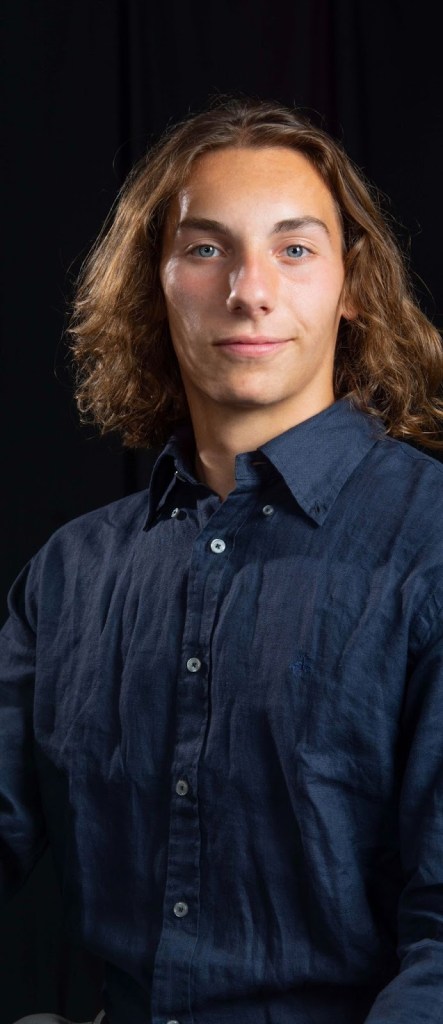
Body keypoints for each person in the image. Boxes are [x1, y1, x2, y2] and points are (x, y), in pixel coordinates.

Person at [1, 97, 443, 1024]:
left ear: (352, 284)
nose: (249, 290)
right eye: (205, 248)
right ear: (152, 281)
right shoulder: (69, 575)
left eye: (294, 248)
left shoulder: (429, 548)